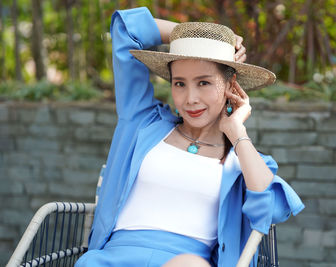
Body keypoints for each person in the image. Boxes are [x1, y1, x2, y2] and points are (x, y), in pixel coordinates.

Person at [75, 6, 304, 267]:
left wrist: (237, 132)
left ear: (231, 86)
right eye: (180, 83)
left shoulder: (242, 160)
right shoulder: (141, 123)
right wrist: (192, 37)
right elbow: (127, 29)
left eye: (204, 83)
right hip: (112, 261)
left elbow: (269, 211)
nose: (190, 99)